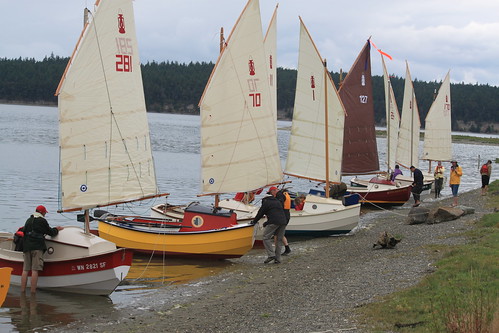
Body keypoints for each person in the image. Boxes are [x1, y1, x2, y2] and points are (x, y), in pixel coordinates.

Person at [21, 205, 63, 294]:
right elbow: (51, 232)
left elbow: (24, 231)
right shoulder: (42, 221)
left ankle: (22, 291)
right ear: (42, 212)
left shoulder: (29, 220)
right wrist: (57, 229)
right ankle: (33, 293)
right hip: (37, 247)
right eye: (45, 213)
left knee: (25, 270)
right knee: (35, 270)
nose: (45, 215)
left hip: (27, 247)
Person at [252, 187, 287, 264]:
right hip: (283, 221)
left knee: (265, 237)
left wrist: (254, 221)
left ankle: (271, 255)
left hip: (274, 222)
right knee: (279, 240)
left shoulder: (266, 202)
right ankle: (278, 259)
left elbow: (260, 213)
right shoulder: (277, 201)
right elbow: (276, 213)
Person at [275, 188, 291, 256]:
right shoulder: (286, 194)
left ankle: (276, 251)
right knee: (280, 233)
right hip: (286, 215)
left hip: (283, 216)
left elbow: (280, 205)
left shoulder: (280, 195)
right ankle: (287, 248)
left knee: (276, 234)